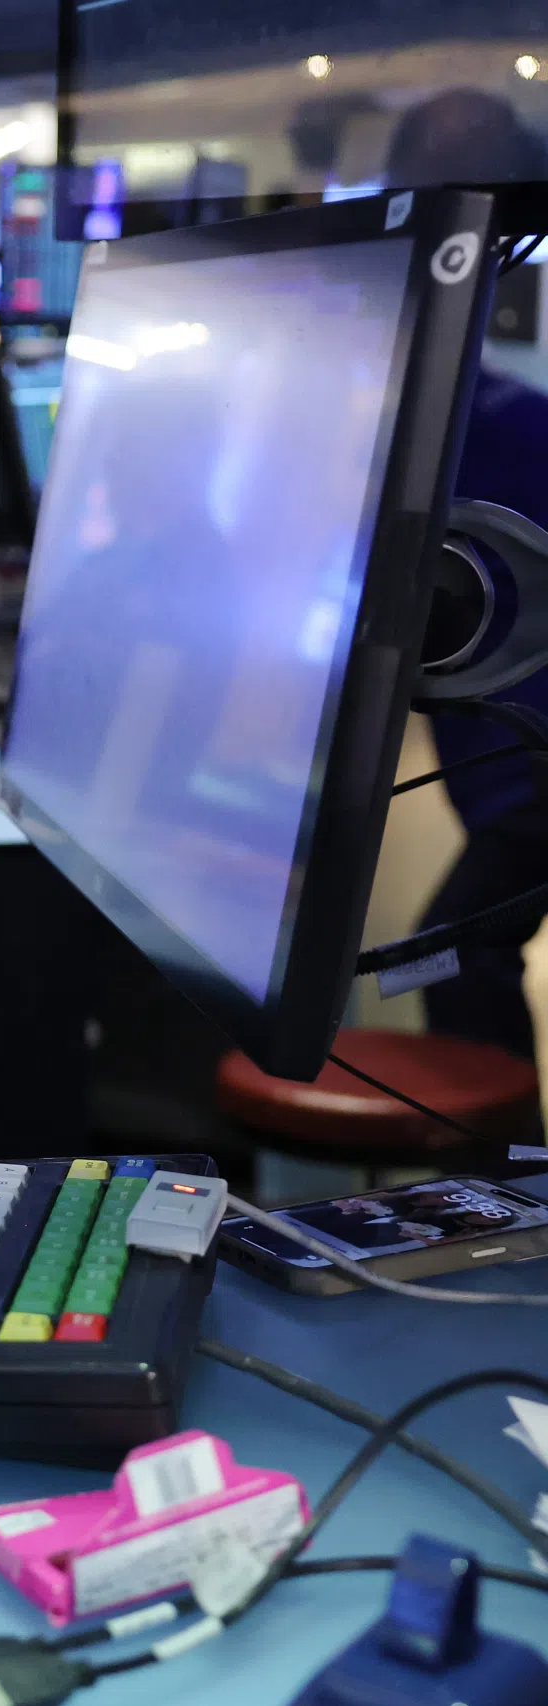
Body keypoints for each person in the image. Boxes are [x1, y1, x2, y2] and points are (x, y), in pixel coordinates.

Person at [384, 94, 548, 1057]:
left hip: (530, 770)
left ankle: (506, 1150)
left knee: (436, 956)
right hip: (499, 773)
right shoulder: (430, 413)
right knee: (438, 956)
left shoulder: (503, 425)